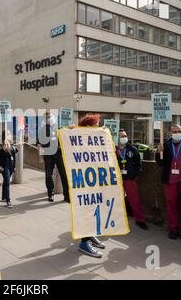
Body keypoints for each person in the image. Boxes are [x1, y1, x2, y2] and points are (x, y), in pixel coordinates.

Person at [76, 114, 107, 258]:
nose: (98, 127)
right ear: (88, 127)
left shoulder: (95, 140)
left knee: (95, 211)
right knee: (87, 212)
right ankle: (84, 242)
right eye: (96, 125)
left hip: (95, 181)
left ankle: (90, 236)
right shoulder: (79, 140)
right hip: (84, 182)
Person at [116, 129, 148, 230]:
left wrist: (133, 176)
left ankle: (140, 220)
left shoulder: (133, 149)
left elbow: (139, 165)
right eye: (121, 136)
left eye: (125, 135)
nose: (124, 138)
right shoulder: (112, 149)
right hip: (116, 180)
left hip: (129, 179)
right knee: (116, 201)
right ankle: (116, 220)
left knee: (135, 200)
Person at [38, 110, 70, 203]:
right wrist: (40, 157)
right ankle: (50, 194)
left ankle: (67, 195)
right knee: (48, 175)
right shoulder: (42, 130)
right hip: (48, 155)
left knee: (63, 175)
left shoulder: (59, 128)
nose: (48, 119)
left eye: (49, 117)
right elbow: (40, 144)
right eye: (46, 117)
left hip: (59, 154)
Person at [0, 139, 18, 208]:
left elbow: (14, 157)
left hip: (10, 167)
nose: (6, 145)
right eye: (5, 144)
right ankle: (8, 200)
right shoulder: (1, 151)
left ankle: (3, 196)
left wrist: (14, 167)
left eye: (7, 144)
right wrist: (4, 150)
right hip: (4, 168)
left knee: (5, 181)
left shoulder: (12, 148)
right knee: (7, 182)